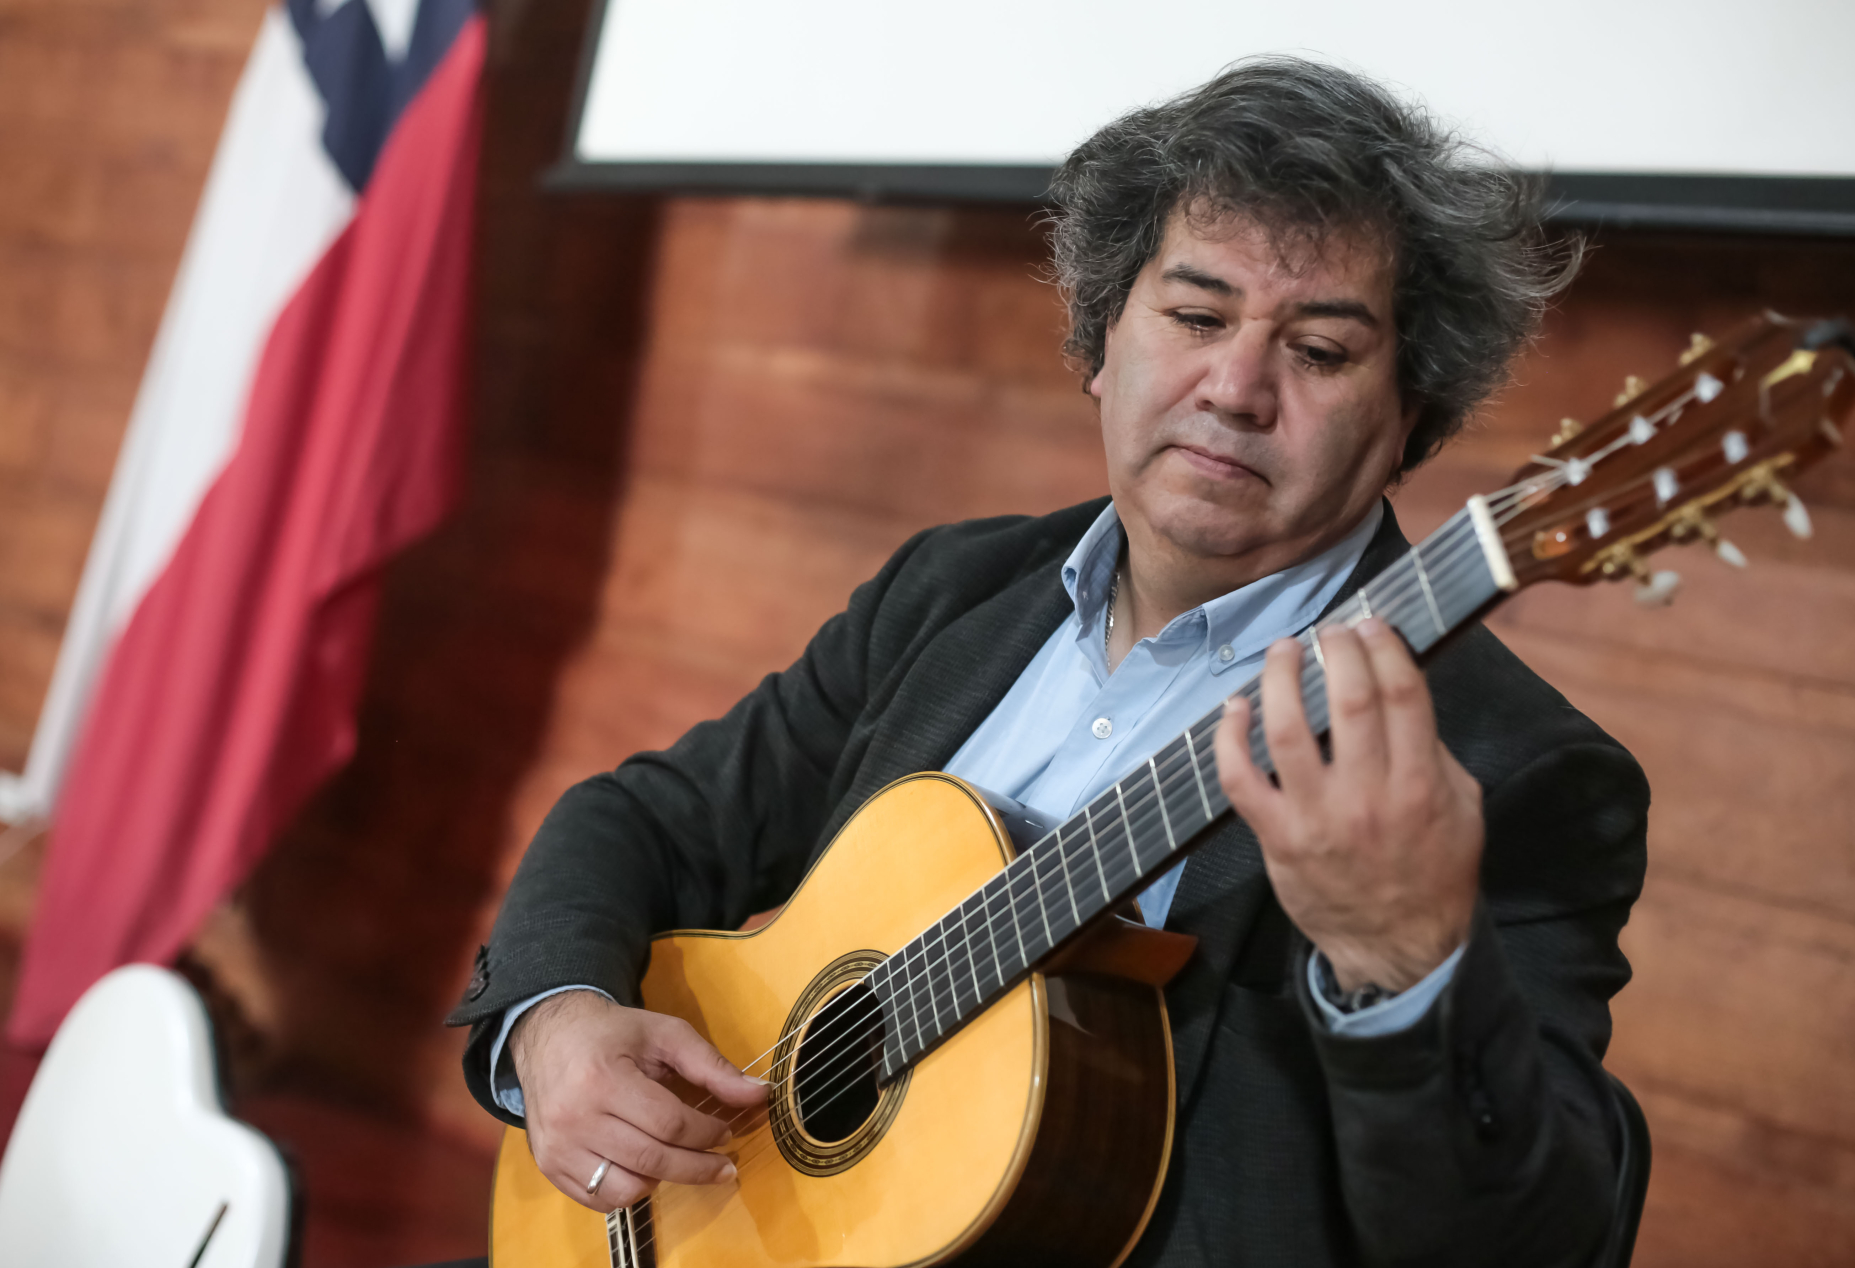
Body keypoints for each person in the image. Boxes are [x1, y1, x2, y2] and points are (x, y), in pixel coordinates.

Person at [448, 56, 1648, 1266]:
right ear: (1099, 339)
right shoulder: (952, 590)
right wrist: (557, 1019)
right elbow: (648, 820)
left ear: (1409, 417)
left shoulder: (1506, 766)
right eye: (1195, 317)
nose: (1235, 388)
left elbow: (1537, 1239)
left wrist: (1403, 962)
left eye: (1321, 351)